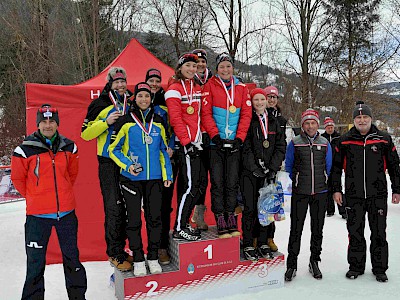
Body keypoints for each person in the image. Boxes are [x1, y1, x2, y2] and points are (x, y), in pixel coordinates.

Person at [11, 104, 87, 299]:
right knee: (35, 264)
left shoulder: (70, 146)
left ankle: (78, 297)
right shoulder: (24, 150)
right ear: (38, 124)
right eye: (43, 121)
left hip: (66, 215)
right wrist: (36, 197)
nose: (47, 125)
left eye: (51, 121)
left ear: (57, 123)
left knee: (73, 260)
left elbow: (72, 175)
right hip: (37, 217)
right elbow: (18, 179)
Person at [331, 101, 400, 283]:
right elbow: (336, 168)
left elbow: (394, 166)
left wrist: (397, 189)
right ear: (354, 120)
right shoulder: (344, 140)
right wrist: (336, 189)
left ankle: (379, 268)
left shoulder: (384, 139)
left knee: (379, 233)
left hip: (377, 194)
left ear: (371, 118)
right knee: (355, 231)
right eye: (358, 117)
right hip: (354, 195)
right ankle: (356, 266)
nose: (362, 120)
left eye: (365, 117)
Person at [109, 82, 173, 276]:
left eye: (146, 96)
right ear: (134, 99)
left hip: (154, 179)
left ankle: (152, 256)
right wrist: (128, 165)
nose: (144, 99)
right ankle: (138, 258)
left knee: (154, 219)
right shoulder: (125, 121)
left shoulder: (160, 121)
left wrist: (167, 174)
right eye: (140, 96)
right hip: (131, 178)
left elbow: (163, 150)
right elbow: (113, 149)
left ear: (150, 99)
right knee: (134, 220)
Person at [81, 67, 132, 271]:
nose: (120, 85)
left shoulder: (131, 101)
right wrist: (105, 122)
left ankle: (123, 249)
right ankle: (114, 253)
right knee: (114, 208)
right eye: (116, 82)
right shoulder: (99, 103)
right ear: (109, 83)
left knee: (128, 208)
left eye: (123, 81)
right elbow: (85, 134)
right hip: (108, 163)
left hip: (128, 162)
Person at [201, 52, 252, 238]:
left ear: (233, 68)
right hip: (217, 144)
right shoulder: (210, 86)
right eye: (222, 66)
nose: (225, 69)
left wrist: (239, 138)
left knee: (232, 182)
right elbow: (205, 114)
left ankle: (231, 217)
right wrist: (215, 136)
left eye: (228, 66)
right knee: (218, 182)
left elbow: (246, 114)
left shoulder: (242, 88)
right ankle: (220, 218)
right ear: (217, 69)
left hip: (234, 144)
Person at [284, 108, 332, 281]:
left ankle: (314, 261)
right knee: (296, 229)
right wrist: (296, 179)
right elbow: (288, 166)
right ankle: (292, 264)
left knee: (317, 229)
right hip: (300, 192)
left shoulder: (325, 142)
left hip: (320, 192)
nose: (310, 126)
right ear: (303, 125)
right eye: (307, 123)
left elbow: (329, 166)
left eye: (313, 123)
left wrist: (326, 183)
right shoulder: (295, 142)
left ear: (317, 125)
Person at [240, 88, 286, 261]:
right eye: (256, 100)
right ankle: (248, 243)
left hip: (269, 173)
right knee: (250, 208)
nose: (259, 103)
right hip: (250, 173)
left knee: (266, 209)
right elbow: (246, 146)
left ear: (267, 101)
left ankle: (263, 242)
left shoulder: (274, 121)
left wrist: (273, 167)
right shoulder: (248, 120)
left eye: (262, 99)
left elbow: (281, 146)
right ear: (252, 102)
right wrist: (254, 167)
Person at [165, 53, 206, 241]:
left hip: (197, 143)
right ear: (180, 67)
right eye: (188, 66)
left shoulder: (196, 87)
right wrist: (186, 142)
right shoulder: (174, 88)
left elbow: (199, 116)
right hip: (186, 145)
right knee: (190, 187)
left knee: (195, 187)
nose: (191, 69)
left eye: (194, 66)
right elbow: (175, 119)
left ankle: (184, 222)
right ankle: (179, 227)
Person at [145, 68, 175, 265]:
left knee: (164, 206)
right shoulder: (138, 101)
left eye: (157, 80)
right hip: (145, 164)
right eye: (151, 80)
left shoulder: (166, 103)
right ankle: (149, 250)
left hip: (164, 162)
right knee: (149, 209)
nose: (154, 83)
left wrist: (171, 147)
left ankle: (162, 247)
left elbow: (175, 127)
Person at [260, 85, 288, 252]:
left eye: (274, 97)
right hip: (257, 166)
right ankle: (257, 238)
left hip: (273, 167)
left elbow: (281, 145)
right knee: (256, 204)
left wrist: (274, 165)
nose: (271, 100)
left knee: (271, 204)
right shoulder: (257, 116)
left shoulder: (281, 121)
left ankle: (270, 237)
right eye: (268, 97)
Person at [191, 48, 213, 231]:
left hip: (212, 134)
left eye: (202, 61)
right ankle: (195, 215)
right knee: (197, 178)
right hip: (194, 136)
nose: (200, 65)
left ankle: (204, 213)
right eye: (196, 62)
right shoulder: (187, 81)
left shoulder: (213, 80)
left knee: (212, 177)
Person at [321, 116, 344, 218]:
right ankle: (329, 209)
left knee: (337, 187)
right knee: (327, 188)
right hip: (325, 166)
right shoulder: (322, 138)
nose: (330, 128)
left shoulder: (339, 138)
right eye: (328, 127)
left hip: (336, 165)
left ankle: (343, 211)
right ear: (325, 128)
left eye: (331, 126)